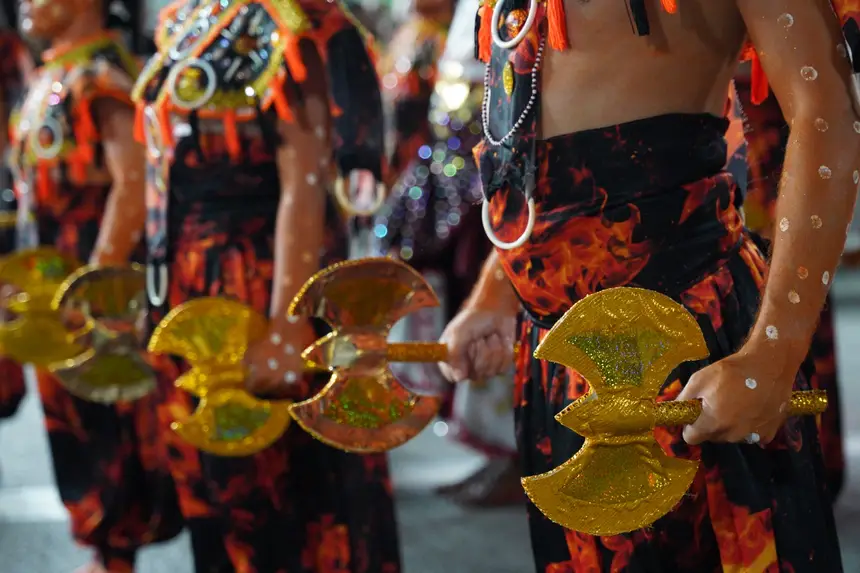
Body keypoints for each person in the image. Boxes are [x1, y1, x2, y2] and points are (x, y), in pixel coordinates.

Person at [439, 1, 855, 570]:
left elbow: (826, 112)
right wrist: (496, 291)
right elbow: (530, 142)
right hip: (556, 359)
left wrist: (774, 356)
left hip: (681, 342)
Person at [133, 1, 401, 571]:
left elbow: (303, 182)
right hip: (191, 285)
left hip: (258, 282)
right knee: (210, 478)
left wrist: (286, 324)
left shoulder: (287, 23)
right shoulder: (189, 19)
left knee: (269, 486)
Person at [7, 1, 184, 571]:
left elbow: (133, 185)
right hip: (51, 282)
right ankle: (101, 546)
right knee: (71, 421)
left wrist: (96, 283)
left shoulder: (102, 79)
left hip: (91, 286)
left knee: (109, 419)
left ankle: (116, 550)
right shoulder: (52, 76)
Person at [376, 0, 523, 507]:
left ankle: (517, 455)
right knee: (466, 310)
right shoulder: (425, 33)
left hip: (491, 188)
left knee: (500, 317)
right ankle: (499, 453)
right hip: (454, 181)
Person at [735, 64, 846, 501]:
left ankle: (814, 462)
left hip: (773, 142)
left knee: (791, 293)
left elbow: (826, 107)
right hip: (736, 143)